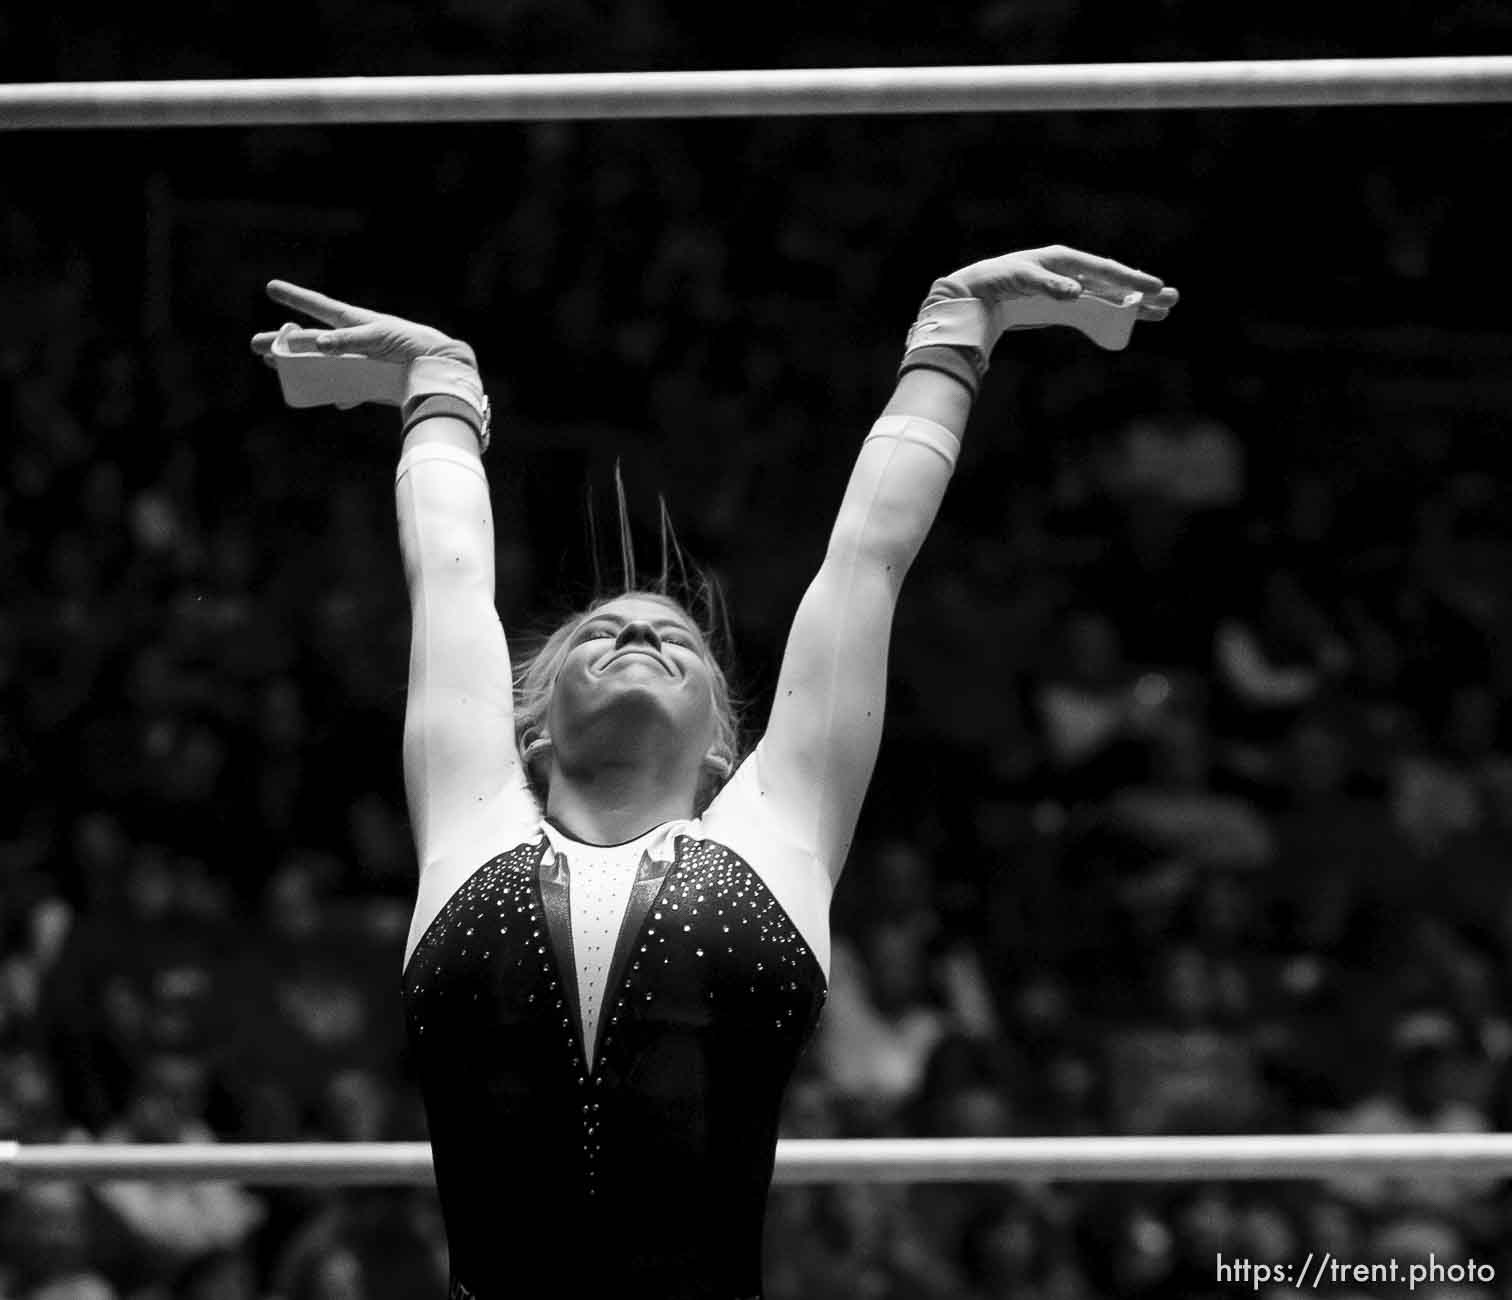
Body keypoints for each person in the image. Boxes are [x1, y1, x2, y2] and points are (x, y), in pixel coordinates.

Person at [252, 246, 1175, 1300]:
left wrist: (958, 322)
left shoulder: (776, 831)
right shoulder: (472, 818)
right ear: (534, 730)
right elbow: (451, 581)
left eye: (673, 640)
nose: (640, 632)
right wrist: (438, 388)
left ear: (724, 748)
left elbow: (867, 555)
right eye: (602, 633)